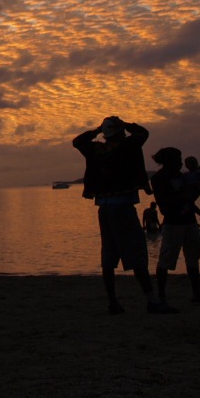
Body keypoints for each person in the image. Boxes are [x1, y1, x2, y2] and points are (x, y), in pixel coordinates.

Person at [73, 116, 173, 315]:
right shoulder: (128, 146)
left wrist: (96, 130)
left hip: (105, 210)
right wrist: (126, 124)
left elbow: (77, 142)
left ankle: (113, 303)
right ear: (120, 132)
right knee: (137, 254)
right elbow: (143, 133)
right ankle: (152, 301)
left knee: (108, 257)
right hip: (124, 208)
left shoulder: (96, 149)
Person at [150, 146, 200, 306]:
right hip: (173, 223)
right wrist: (185, 196)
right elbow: (164, 205)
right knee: (165, 260)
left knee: (193, 257)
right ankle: (162, 296)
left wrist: (195, 203)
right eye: (178, 159)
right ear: (169, 161)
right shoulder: (159, 178)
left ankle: (196, 294)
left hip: (189, 221)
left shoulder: (182, 176)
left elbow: (189, 198)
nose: (181, 163)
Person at [183, 156, 200, 221]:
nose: (190, 165)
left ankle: (199, 213)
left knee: (189, 201)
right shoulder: (186, 174)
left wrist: (199, 168)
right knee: (189, 202)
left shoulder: (198, 172)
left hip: (196, 189)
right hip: (189, 189)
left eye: (192, 163)